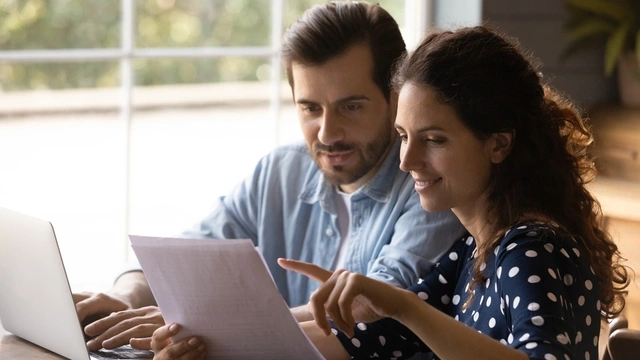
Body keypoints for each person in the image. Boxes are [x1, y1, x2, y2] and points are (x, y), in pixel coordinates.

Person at [150, 25, 631, 359]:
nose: (407, 162)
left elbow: (405, 316)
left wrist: (401, 305)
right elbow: (369, 334)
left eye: (434, 140)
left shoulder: (535, 247)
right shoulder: (475, 248)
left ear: (498, 143)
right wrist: (204, 338)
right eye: (404, 137)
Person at [73, 1, 465, 353]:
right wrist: (124, 298)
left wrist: (206, 329)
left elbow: (373, 306)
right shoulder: (280, 172)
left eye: (351, 106)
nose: (327, 133)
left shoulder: (429, 187)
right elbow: (186, 256)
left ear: (396, 98)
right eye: (310, 108)